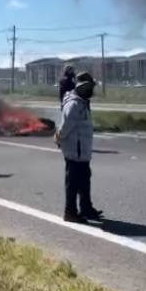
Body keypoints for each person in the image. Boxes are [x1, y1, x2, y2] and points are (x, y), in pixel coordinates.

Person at [55, 72, 102, 224]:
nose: (91, 90)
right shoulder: (74, 104)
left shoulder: (82, 102)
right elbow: (66, 126)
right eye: (89, 86)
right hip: (75, 151)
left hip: (82, 151)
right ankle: (70, 212)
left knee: (84, 180)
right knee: (73, 183)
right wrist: (59, 137)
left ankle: (86, 208)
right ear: (81, 87)